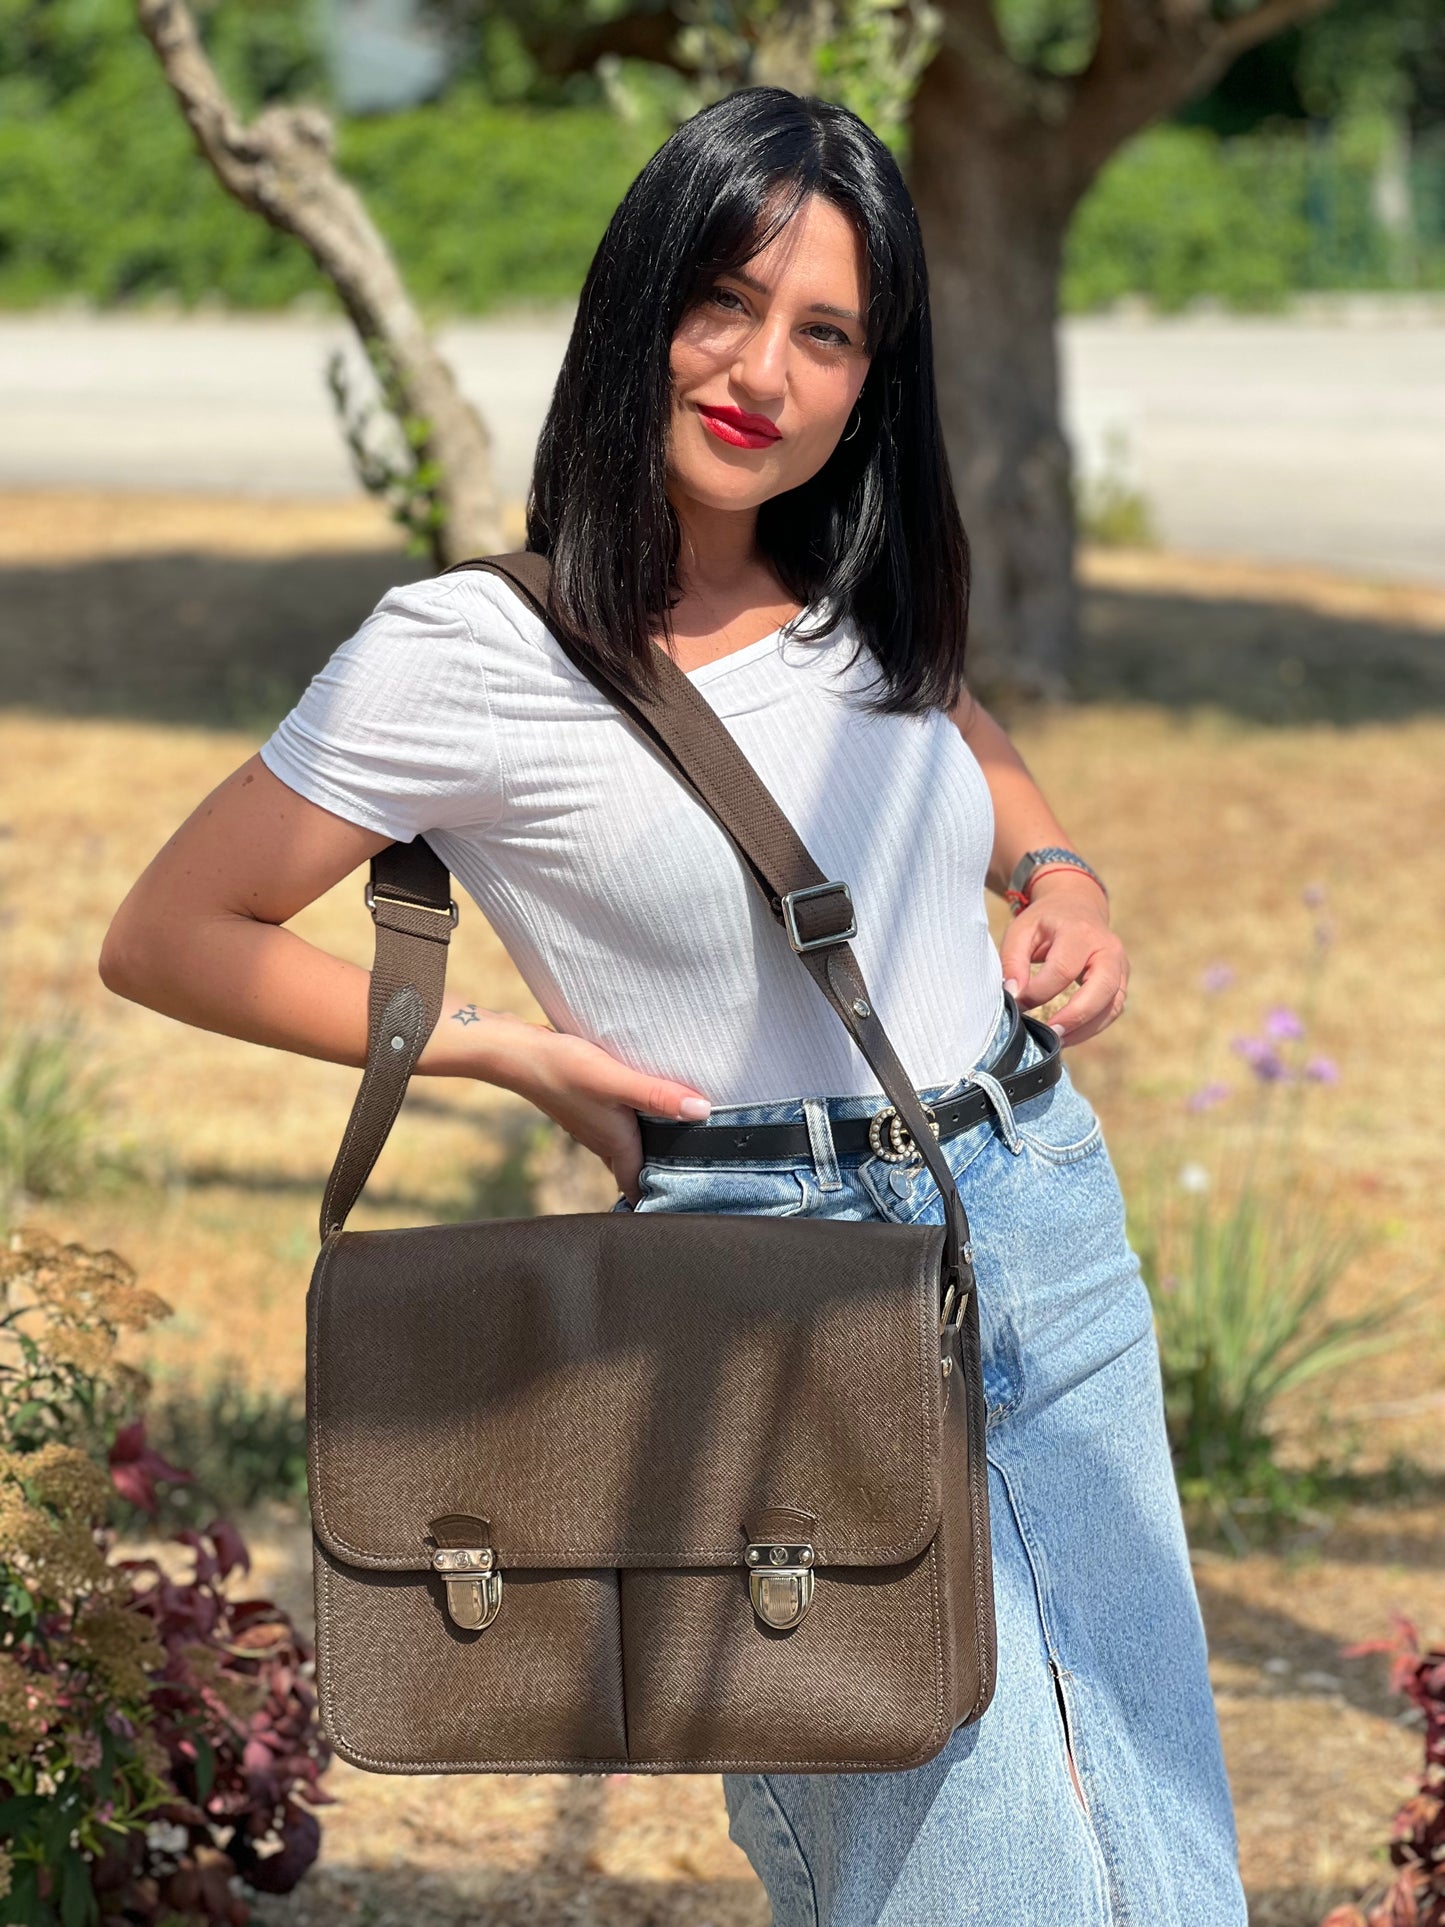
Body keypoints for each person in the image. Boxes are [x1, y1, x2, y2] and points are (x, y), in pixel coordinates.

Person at [98, 85, 1246, 1927]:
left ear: (871, 380)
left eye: (826, 334)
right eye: (723, 301)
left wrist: (1057, 874)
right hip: (767, 1284)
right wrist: (500, 1051)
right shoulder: (466, 652)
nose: (762, 373)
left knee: (1163, 1850)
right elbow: (172, 930)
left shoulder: (849, 578)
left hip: (1037, 1214)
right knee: (972, 1877)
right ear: (636, 298)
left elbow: (947, 726)